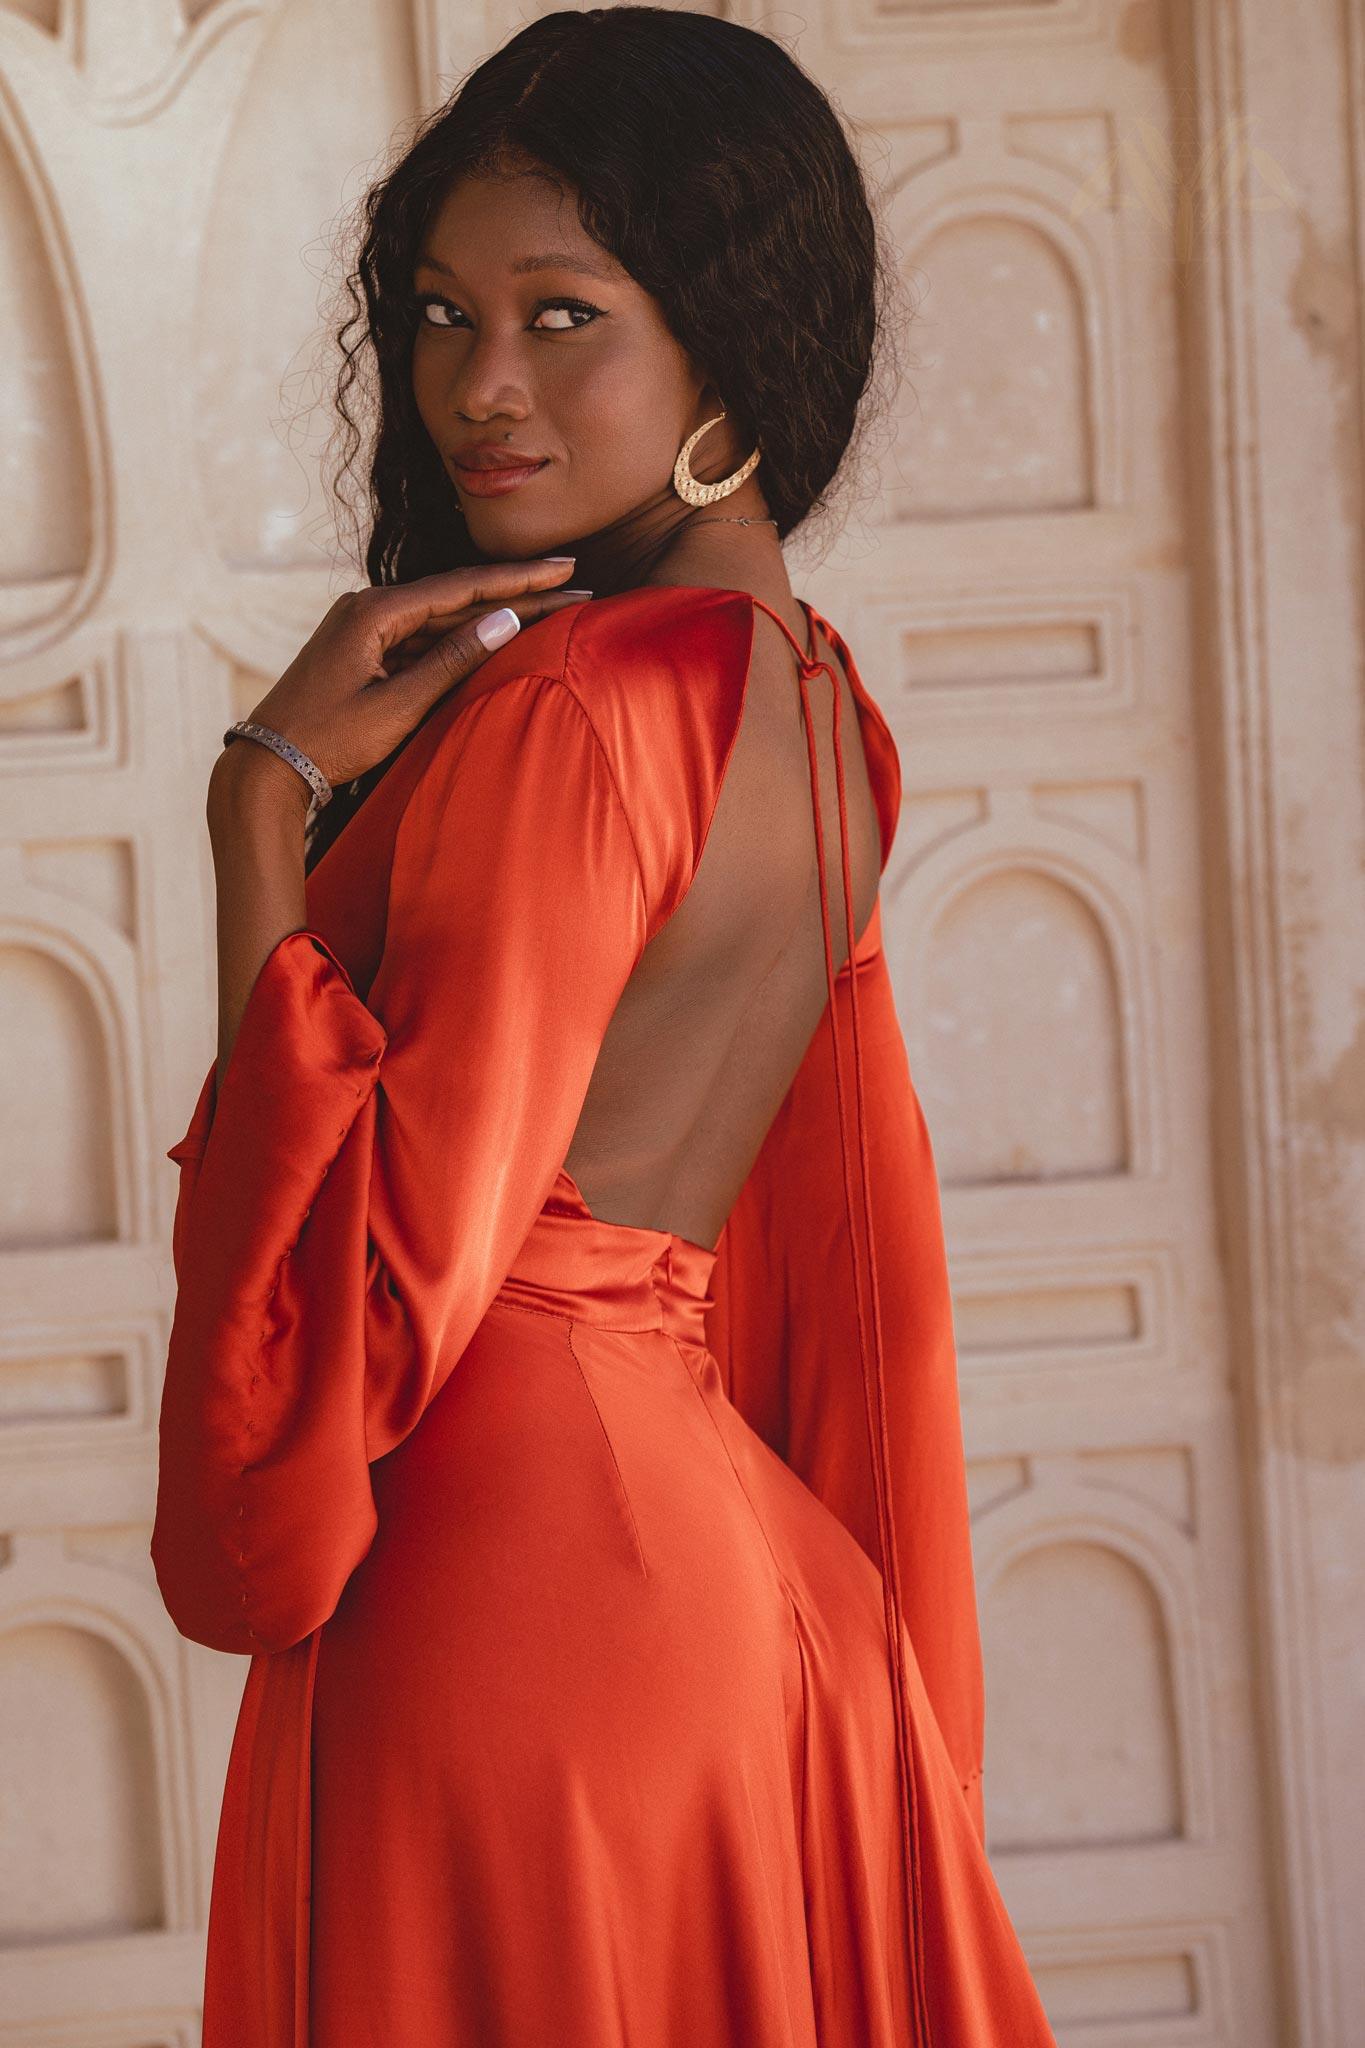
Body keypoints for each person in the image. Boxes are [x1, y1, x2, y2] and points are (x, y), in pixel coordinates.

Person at [151, 9, 1058, 2044]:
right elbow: (844, 1261)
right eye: (441, 313)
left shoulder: (578, 711)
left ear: (729, 336)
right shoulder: (810, 696)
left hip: (509, 1601)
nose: (478, 385)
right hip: (746, 1584)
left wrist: (255, 804)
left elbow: (359, 1339)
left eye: (562, 316)